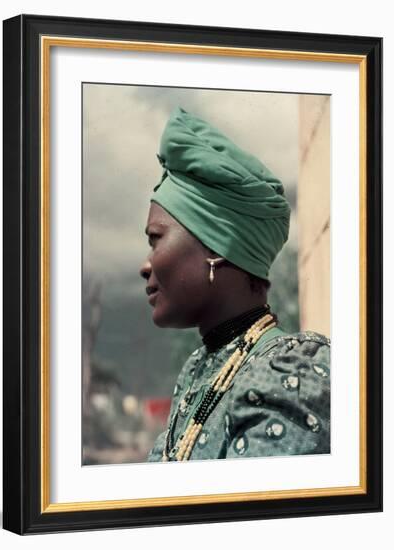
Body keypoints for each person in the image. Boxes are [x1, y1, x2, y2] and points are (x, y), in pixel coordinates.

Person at [139, 107, 330, 463]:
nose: (145, 265)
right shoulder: (202, 369)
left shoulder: (289, 379)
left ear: (216, 246)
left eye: (155, 238)